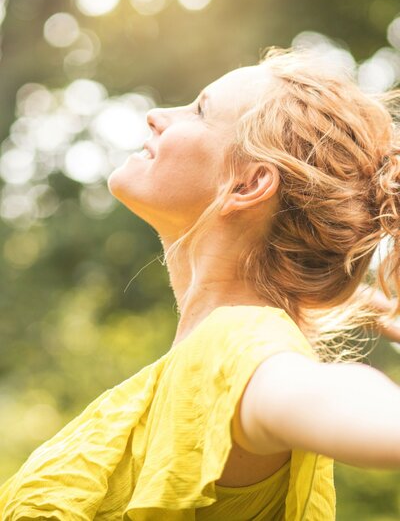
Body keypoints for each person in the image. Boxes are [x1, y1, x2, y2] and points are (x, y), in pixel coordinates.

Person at [0, 46, 399, 520]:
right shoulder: (199, 362)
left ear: (247, 186)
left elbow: (349, 405)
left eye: (200, 110)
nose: (155, 115)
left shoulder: (237, 345)